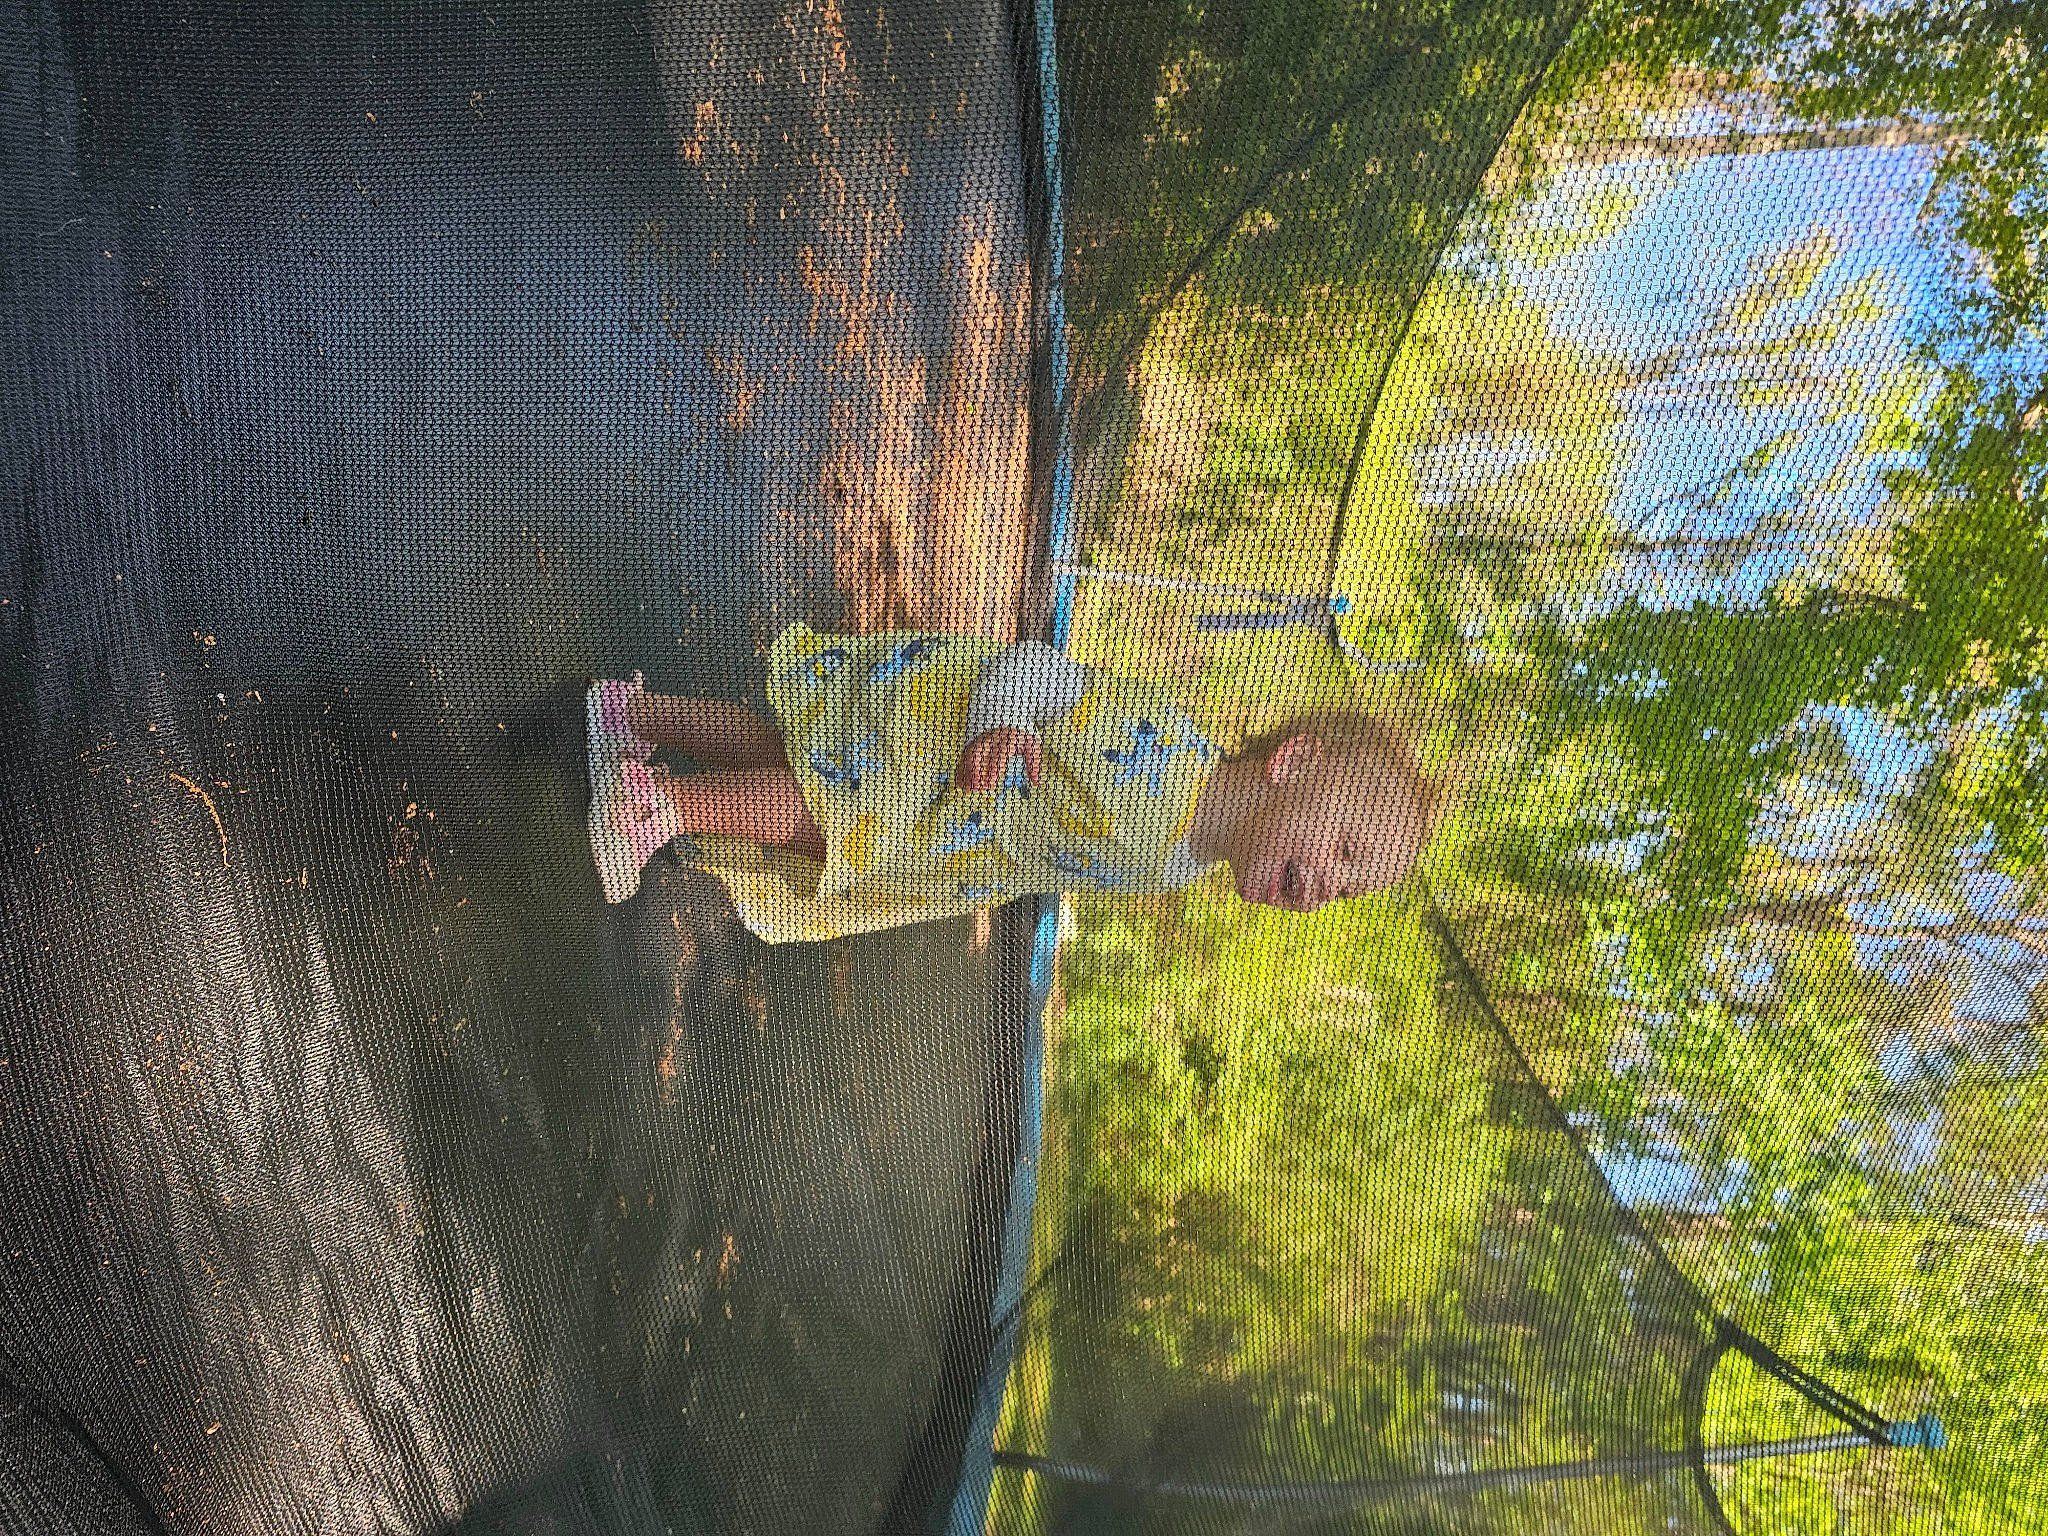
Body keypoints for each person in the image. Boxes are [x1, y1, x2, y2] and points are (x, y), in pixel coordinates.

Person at [585, 623, 1434, 942]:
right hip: (947, 732)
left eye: (1349, 890)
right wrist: (1003, 721)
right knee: (828, 816)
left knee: (794, 761)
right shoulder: (1168, 752)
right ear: (1294, 762)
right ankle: (653, 807)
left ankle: (633, 716)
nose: (1329, 886)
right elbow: (1037, 670)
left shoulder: (1183, 860)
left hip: (962, 814)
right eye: (1345, 848)